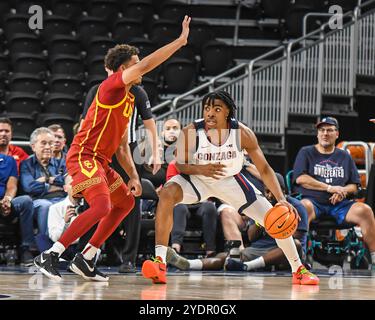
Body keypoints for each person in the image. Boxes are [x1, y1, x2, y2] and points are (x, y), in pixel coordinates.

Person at [33, 16, 192, 282]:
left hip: (103, 162)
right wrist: (179, 42)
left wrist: (131, 175)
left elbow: (120, 145)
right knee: (102, 206)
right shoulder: (110, 87)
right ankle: (50, 255)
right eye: (134, 64)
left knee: (126, 202)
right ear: (121, 70)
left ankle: (86, 257)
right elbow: (150, 63)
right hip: (83, 156)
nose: (140, 69)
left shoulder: (129, 100)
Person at [142, 90, 319, 285]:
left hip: (230, 181)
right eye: (207, 108)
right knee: (167, 192)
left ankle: (298, 269)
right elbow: (181, 165)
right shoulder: (191, 132)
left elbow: (265, 169)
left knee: (275, 219)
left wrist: (282, 200)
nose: (210, 113)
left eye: (216, 109)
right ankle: (159, 262)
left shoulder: (242, 134)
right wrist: (201, 169)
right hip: (198, 180)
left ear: (227, 112)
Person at [80, 51, 162, 274]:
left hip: (127, 151)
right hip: (99, 151)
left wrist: (156, 151)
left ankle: (128, 258)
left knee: (130, 202)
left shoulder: (138, 91)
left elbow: (150, 122)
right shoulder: (99, 90)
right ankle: (88, 254)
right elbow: (83, 122)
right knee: (95, 201)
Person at [167, 173, 308, 272]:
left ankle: (249, 266)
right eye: (266, 192)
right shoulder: (263, 206)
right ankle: (189, 264)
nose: (270, 195)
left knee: (293, 245)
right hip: (259, 249)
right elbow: (252, 237)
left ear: (282, 191)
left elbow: (299, 238)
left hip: (284, 253)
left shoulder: (295, 206)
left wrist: (279, 227)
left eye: (273, 191)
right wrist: (262, 222)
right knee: (230, 257)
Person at [292, 116, 375, 269]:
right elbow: (300, 179)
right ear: (317, 134)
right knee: (302, 207)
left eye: (329, 130)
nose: (325, 133)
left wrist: (343, 190)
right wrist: (329, 188)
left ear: (337, 134)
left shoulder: (344, 156)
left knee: (366, 211)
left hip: (340, 204)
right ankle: (300, 259)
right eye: (322, 130)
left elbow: (355, 186)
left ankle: (374, 259)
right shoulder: (306, 152)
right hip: (314, 202)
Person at [20, 127, 67, 245]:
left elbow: (67, 181)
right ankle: (46, 246)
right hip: (38, 201)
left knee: (68, 205)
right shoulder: (26, 164)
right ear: (33, 146)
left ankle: (69, 247)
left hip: (61, 198)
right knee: (46, 206)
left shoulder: (61, 162)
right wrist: (53, 184)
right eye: (43, 143)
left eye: (50, 143)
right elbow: (29, 187)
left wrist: (45, 180)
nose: (48, 147)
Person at [167, 160, 218, 256]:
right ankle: (175, 248)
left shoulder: (205, 164)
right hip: (183, 200)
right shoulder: (174, 164)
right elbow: (171, 187)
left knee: (210, 207)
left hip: (201, 201)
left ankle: (210, 250)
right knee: (179, 208)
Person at [0, 153, 34, 266]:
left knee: (26, 201)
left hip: (4, 201)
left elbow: (12, 185)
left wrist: (7, 199)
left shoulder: (9, 160)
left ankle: (26, 249)